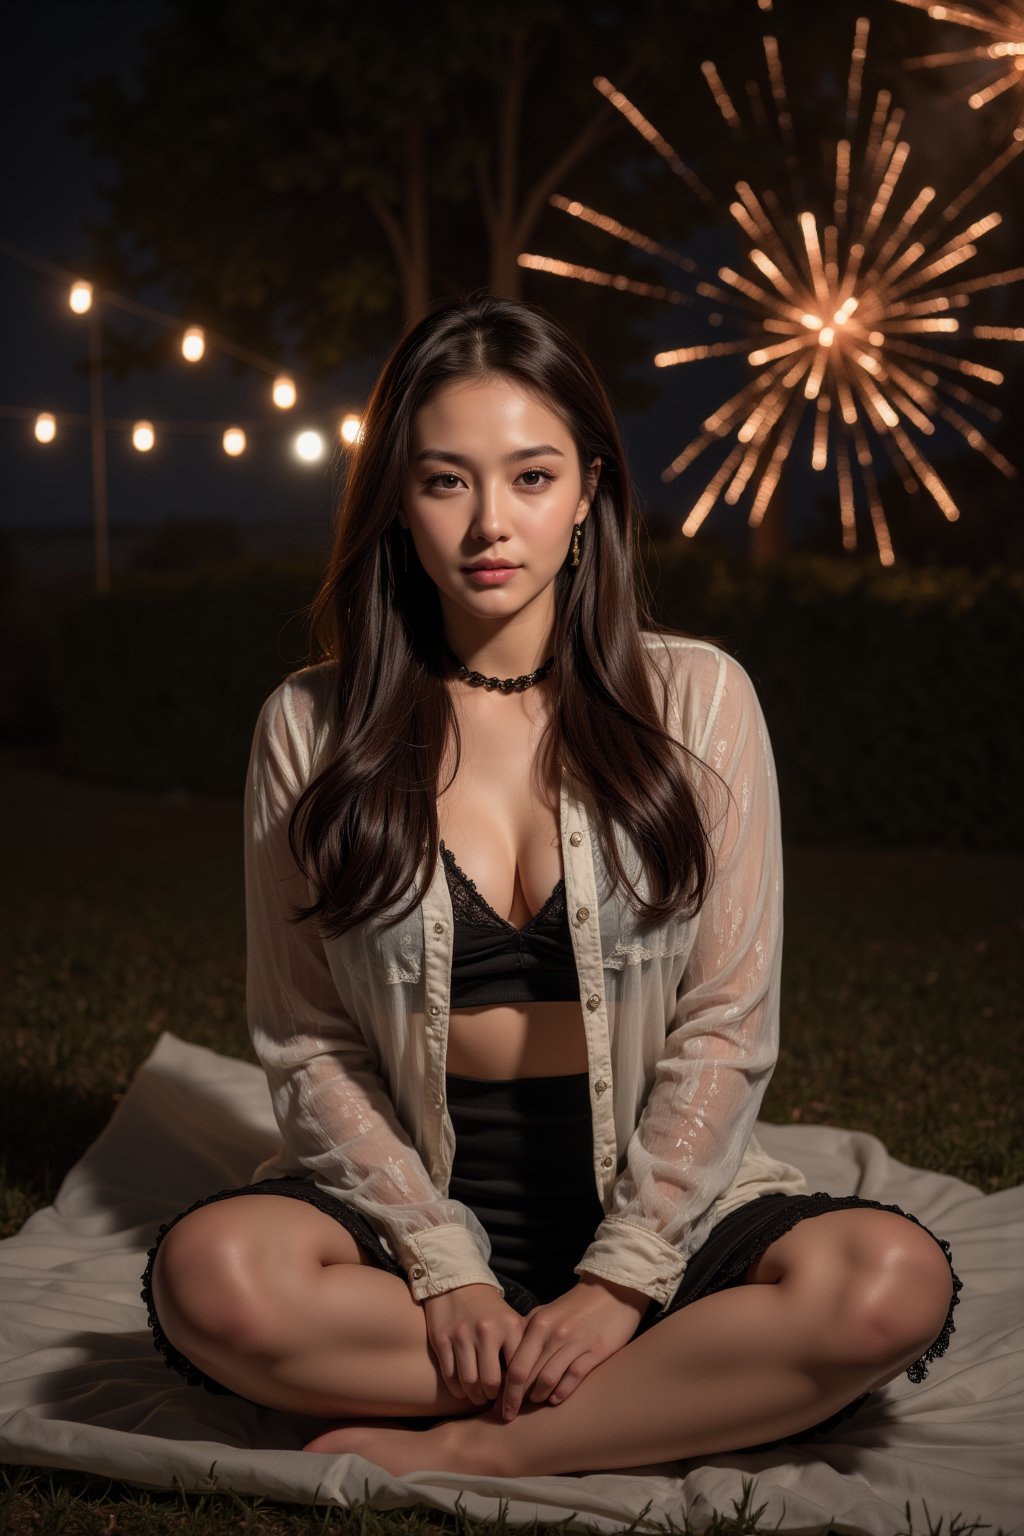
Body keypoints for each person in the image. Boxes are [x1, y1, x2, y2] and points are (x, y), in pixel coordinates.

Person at [141, 294, 960, 1478]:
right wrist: (444, 1263)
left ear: (588, 494)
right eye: (444, 482)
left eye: (529, 477)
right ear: (396, 507)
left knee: (891, 1284)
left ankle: (475, 1448)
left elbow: (727, 1025)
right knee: (211, 1281)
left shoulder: (699, 701)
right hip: (413, 1200)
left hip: (654, 1188)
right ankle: (668, 1394)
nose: (489, 523)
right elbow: (307, 1041)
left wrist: (623, 1279)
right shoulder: (310, 726)